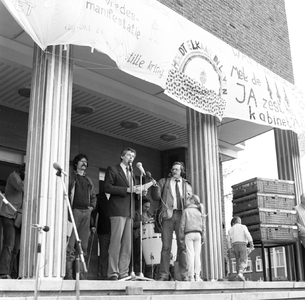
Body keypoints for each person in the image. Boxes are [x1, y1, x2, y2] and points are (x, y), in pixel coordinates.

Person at [105, 147, 145, 280]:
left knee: (127, 245)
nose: (131, 158)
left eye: (133, 156)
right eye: (129, 155)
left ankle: (123, 272)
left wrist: (140, 192)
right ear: (122, 156)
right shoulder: (113, 169)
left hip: (129, 211)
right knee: (116, 242)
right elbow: (107, 187)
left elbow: (132, 192)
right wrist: (127, 189)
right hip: (117, 210)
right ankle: (113, 272)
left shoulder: (132, 173)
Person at [151, 161, 192, 281]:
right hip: (167, 216)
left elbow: (191, 200)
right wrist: (154, 187)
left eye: (177, 169)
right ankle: (163, 275)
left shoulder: (186, 184)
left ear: (181, 172)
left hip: (181, 216)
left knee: (182, 246)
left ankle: (184, 275)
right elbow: (155, 197)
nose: (174, 171)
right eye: (173, 169)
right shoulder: (164, 181)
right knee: (166, 247)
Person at [65, 154, 97, 280]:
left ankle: (81, 276)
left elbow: (94, 196)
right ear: (76, 163)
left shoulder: (88, 180)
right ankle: (68, 275)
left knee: (83, 246)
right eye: (81, 161)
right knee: (71, 244)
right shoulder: (71, 177)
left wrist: (91, 208)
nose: (84, 163)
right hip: (74, 212)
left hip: (86, 213)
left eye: (86, 161)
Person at [0, 163, 25, 279]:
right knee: (9, 244)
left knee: (16, 248)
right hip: (8, 214)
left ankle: (10, 273)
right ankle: (3, 272)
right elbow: (21, 187)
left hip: (18, 217)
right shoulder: (14, 176)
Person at [179, 194, 205, 282]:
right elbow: (203, 225)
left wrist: (181, 238)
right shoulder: (199, 211)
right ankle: (197, 276)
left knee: (190, 255)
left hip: (188, 234)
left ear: (192, 201)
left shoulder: (186, 211)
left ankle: (191, 276)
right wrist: (203, 236)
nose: (186, 201)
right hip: (198, 234)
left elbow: (182, 225)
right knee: (197, 255)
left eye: (188, 199)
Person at [91, 192, 111, 280]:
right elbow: (94, 212)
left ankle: (113, 274)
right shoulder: (99, 197)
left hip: (116, 229)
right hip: (103, 228)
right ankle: (103, 274)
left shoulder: (116, 196)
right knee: (104, 253)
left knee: (114, 252)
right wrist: (92, 225)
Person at [227, 216, 254, 281]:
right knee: (244, 259)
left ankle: (238, 275)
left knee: (237, 261)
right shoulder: (243, 227)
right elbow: (247, 234)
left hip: (234, 246)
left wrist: (230, 248)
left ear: (233, 223)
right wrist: (251, 243)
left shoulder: (230, 229)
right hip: (242, 244)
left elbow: (228, 240)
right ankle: (240, 273)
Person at [133, 198, 154, 276]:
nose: (147, 209)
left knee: (149, 255)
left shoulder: (150, 214)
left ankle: (149, 274)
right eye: (145, 207)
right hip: (139, 236)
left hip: (148, 237)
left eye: (148, 207)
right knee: (139, 256)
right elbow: (131, 224)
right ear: (141, 206)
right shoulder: (135, 214)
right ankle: (138, 272)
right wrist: (141, 223)